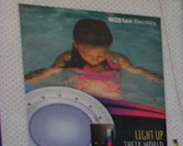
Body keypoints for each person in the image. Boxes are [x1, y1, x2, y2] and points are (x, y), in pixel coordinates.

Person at [25, 17, 162, 101]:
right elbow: (48, 74)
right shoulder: (68, 59)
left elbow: (140, 72)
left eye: (100, 55)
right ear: (75, 44)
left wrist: (159, 80)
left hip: (111, 96)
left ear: (108, 48)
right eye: (87, 54)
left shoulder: (116, 61)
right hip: (82, 95)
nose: (94, 59)